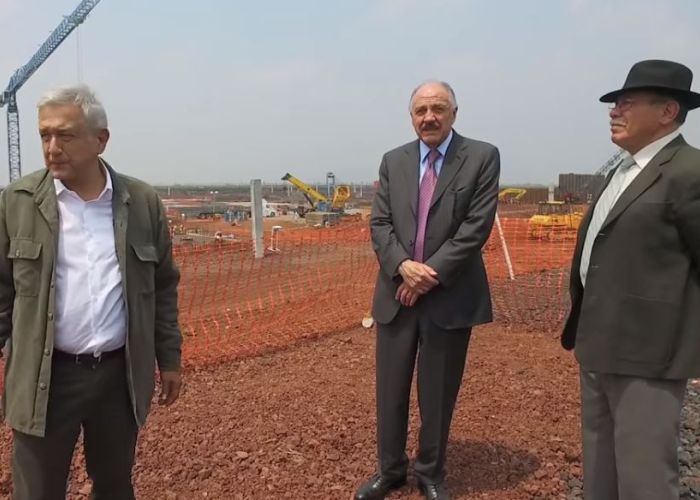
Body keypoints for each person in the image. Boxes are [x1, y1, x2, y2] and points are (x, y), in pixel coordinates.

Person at [0, 84, 182, 500]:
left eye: (65, 135)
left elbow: (163, 287)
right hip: (45, 378)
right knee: (37, 491)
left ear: (101, 140)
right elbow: (1, 295)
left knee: (116, 487)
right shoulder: (16, 204)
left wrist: (169, 358)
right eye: (44, 135)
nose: (51, 147)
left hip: (117, 378)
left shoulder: (141, 204)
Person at [562, 59, 700, 499]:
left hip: (650, 354)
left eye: (627, 102)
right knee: (601, 473)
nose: (614, 111)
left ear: (667, 112)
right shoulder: (623, 170)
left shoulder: (688, 172)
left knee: (644, 479)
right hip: (599, 346)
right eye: (615, 103)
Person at [356, 80, 500, 500]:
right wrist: (402, 267)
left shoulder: (481, 157)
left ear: (454, 112)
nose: (429, 117)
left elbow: (475, 228)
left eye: (438, 108)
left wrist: (427, 275)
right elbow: (379, 224)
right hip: (396, 294)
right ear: (411, 116)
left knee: (437, 393)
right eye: (421, 110)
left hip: (449, 295)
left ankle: (431, 474)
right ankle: (390, 470)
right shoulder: (393, 161)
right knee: (391, 390)